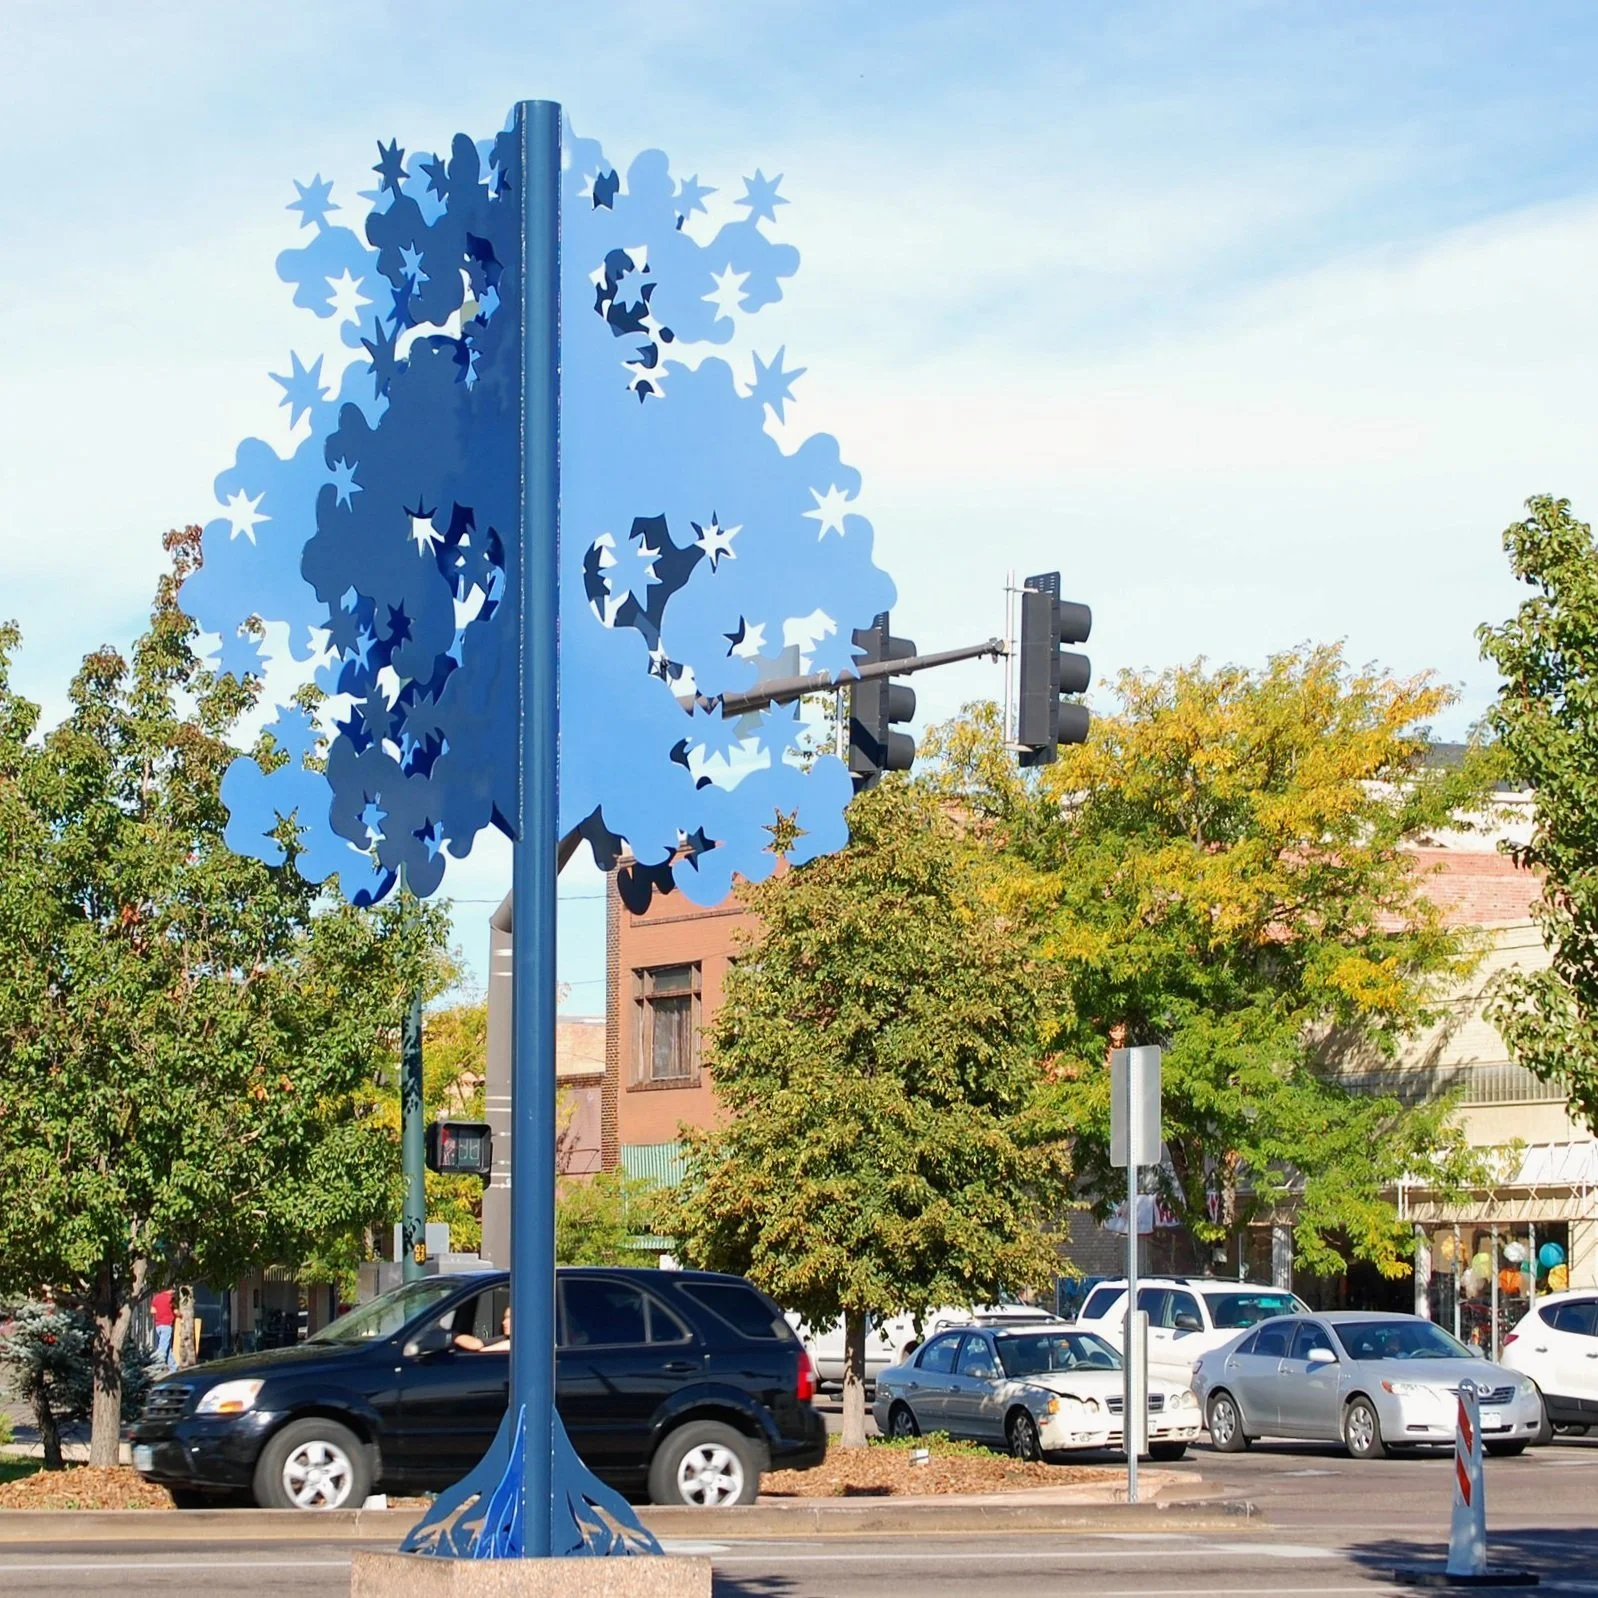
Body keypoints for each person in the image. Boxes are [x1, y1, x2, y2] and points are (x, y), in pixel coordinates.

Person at [151, 1288, 176, 1371]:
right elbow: (175, 1311)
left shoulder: (156, 1297)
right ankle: (157, 1366)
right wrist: (181, 1315)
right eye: (173, 1290)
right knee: (163, 1349)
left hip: (158, 1325)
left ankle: (173, 1368)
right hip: (167, 1325)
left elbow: (152, 1311)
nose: (174, 1292)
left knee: (166, 1346)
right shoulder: (170, 1298)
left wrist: (160, 1313)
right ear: (170, 1290)